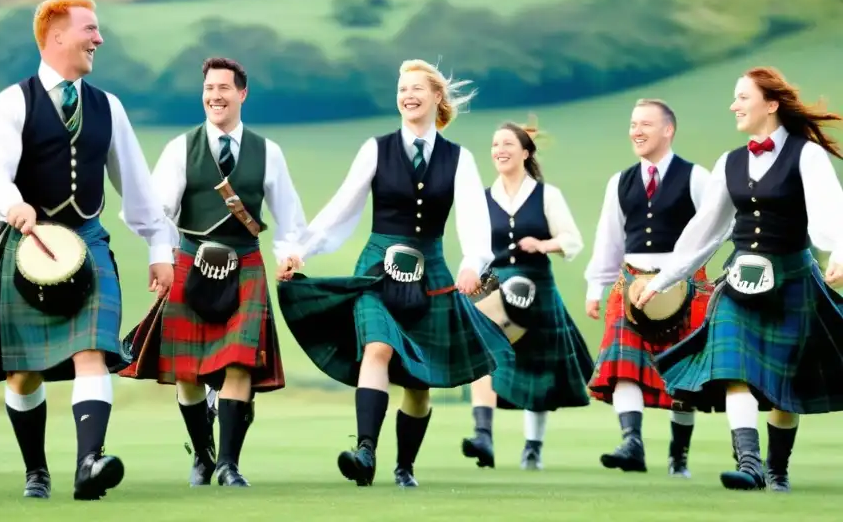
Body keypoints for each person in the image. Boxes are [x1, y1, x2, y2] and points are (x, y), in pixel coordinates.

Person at [0, 0, 180, 501]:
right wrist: (11, 204)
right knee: (24, 373)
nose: (99, 39)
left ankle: (89, 463)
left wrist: (161, 245)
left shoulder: (107, 106)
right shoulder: (12, 102)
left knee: (93, 350)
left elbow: (137, 187)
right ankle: (36, 470)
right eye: (90, 29)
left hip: (87, 243)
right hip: (26, 245)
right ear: (56, 36)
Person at [276, 58, 513, 488]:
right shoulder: (375, 148)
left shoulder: (459, 159)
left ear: (436, 97)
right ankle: (365, 451)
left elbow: (476, 220)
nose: (408, 95)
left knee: (418, 382)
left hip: (433, 274)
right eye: (402, 89)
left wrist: (472, 264)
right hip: (376, 271)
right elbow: (340, 207)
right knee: (378, 348)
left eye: (417, 88)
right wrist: (300, 250)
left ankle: (405, 466)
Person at [637, 67, 843, 493]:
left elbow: (831, 211)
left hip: (792, 280)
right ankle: (748, 463)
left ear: (771, 104)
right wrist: (661, 280)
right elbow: (704, 231)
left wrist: (841, 251)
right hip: (738, 284)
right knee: (735, 370)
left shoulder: (806, 155)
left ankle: (777, 469)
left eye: (742, 97)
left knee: (786, 387)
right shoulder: (728, 162)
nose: (733, 105)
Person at [120, 56, 308, 487]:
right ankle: (203, 455)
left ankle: (228, 464)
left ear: (242, 94)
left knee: (239, 365)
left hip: (245, 264)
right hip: (190, 264)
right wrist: (162, 254)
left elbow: (290, 218)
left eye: (223, 88)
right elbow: (154, 211)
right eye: (208, 88)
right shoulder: (180, 148)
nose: (214, 96)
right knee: (187, 372)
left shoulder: (268, 152)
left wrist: (289, 252)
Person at [583, 98, 725, 477]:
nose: (637, 131)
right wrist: (596, 287)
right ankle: (632, 442)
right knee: (624, 367)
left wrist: (686, 273)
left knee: (682, 374)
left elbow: (716, 229)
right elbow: (609, 239)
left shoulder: (697, 177)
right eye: (632, 124)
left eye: (645, 124)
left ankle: (678, 457)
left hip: (685, 284)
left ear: (668, 130)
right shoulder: (620, 181)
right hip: (631, 284)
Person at [460, 120, 593, 471]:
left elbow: (572, 241)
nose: (499, 150)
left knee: (537, 366)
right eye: (494, 145)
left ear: (526, 152)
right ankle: (483, 436)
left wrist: (543, 244)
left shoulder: (547, 195)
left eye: (507, 144)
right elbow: (475, 246)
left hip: (538, 287)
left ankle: (532, 448)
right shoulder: (482, 199)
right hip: (495, 289)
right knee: (483, 357)